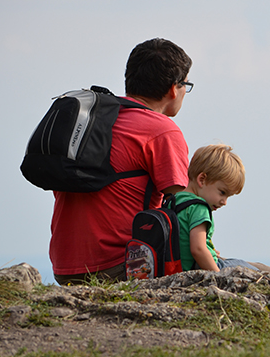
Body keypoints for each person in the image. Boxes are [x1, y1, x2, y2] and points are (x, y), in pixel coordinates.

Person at [50, 38, 193, 285]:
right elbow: (186, 205)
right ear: (173, 89)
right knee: (256, 271)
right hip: (121, 266)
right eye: (186, 85)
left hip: (64, 267)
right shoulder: (162, 130)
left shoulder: (90, 122)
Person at [176, 144, 270, 274]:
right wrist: (219, 276)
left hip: (178, 267)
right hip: (203, 268)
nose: (224, 202)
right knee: (268, 271)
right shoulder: (199, 207)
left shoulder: (175, 200)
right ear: (202, 179)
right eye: (222, 192)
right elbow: (198, 249)